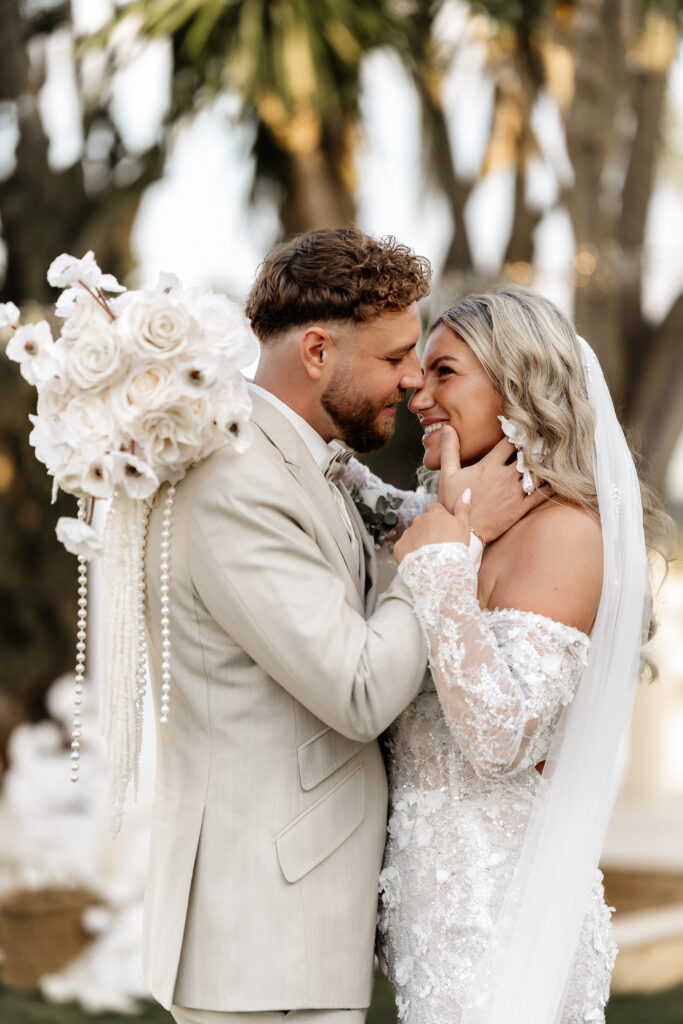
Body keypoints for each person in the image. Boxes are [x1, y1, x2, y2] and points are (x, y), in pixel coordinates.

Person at [140, 230, 541, 1024]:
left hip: (300, 926)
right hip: (260, 939)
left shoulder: (303, 464)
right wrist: (446, 546)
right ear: (317, 350)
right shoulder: (234, 481)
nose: (410, 381)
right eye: (395, 356)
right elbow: (358, 690)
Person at [343, 286, 664, 1023]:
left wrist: (442, 563)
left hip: (503, 930)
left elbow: (500, 738)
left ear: (518, 387)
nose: (418, 390)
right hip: (440, 926)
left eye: (444, 371)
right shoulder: (459, 524)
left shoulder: (563, 532)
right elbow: (363, 499)